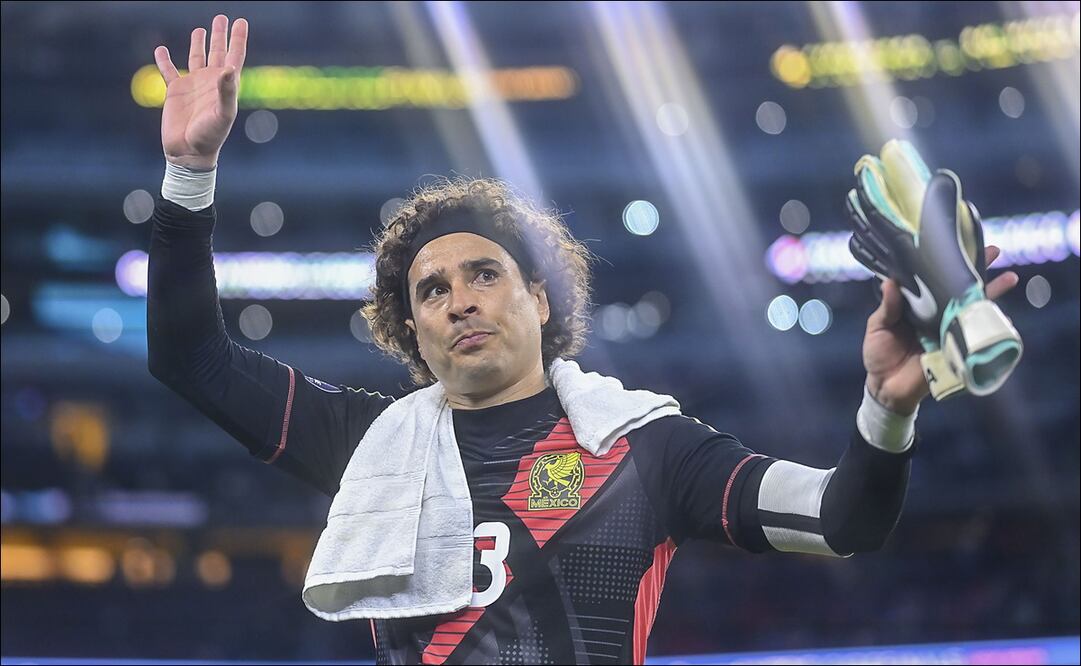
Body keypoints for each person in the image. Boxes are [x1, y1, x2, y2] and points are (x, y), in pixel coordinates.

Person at [147, 15, 1020, 666]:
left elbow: (844, 519)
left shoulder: (650, 448)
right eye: (432, 290)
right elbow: (192, 358)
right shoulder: (369, 443)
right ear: (410, 327)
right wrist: (190, 174)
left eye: (484, 274)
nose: (459, 301)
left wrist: (884, 407)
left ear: (536, 294)